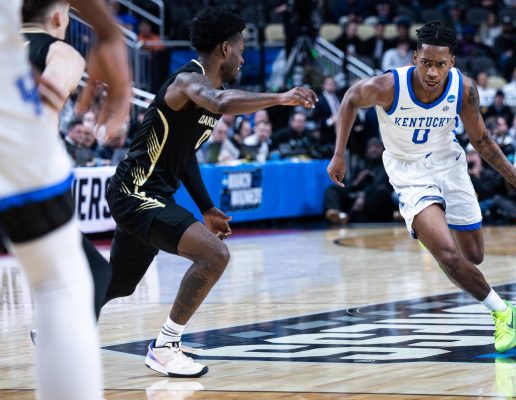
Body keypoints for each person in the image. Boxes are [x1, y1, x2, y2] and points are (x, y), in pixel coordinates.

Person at [101, 6, 317, 377]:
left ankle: (60, 326)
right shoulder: (189, 82)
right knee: (214, 255)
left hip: (149, 195)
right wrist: (282, 98)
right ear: (225, 49)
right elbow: (221, 103)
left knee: (119, 283)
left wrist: (207, 206)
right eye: (242, 48)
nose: (244, 56)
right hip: (134, 190)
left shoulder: (210, 91)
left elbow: (185, 157)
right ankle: (166, 346)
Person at [327, 21, 516, 354]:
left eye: (440, 64)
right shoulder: (389, 86)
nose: (432, 71)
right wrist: (338, 153)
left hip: (450, 166)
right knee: (445, 253)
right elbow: (350, 99)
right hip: (409, 173)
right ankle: (503, 312)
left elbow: (482, 141)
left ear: (452, 63)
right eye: (426, 62)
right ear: (415, 57)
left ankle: (459, 265)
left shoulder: (463, 89)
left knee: (473, 256)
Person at [0, 0, 130, 399]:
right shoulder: (59, 49)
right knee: (79, 279)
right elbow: (48, 100)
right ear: (60, 17)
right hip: (17, 161)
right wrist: (108, 31)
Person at [21, 0, 114, 322]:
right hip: (20, 178)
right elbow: (43, 113)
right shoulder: (60, 53)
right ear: (59, 17)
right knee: (96, 273)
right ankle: (61, 343)